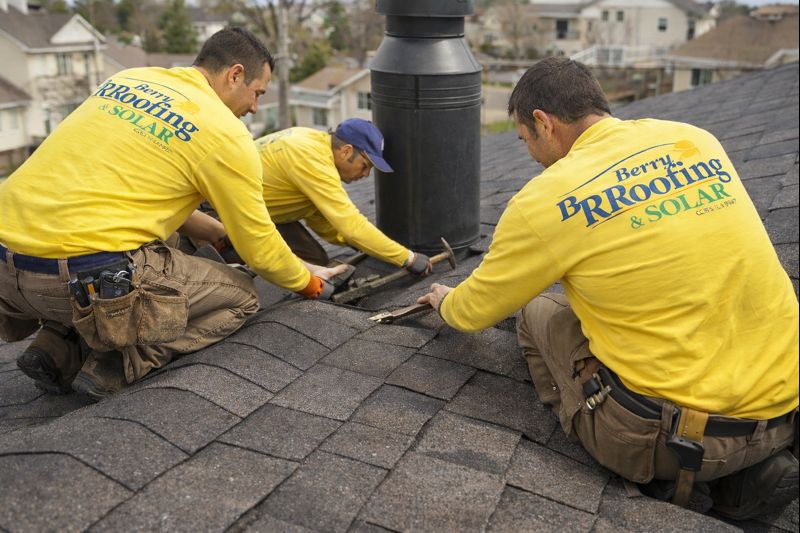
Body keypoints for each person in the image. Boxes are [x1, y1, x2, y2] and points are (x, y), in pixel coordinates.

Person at [419, 57, 798, 519]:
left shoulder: (546, 199)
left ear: (543, 122)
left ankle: (643, 470)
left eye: (525, 141)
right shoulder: (694, 140)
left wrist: (444, 303)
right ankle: (746, 476)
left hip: (678, 440)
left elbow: (475, 311)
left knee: (536, 313)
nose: (532, 157)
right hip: (784, 409)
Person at [0, 28, 341, 402]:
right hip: (80, 279)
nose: (256, 107)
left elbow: (118, 185)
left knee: (165, 240)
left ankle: (54, 349)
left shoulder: (128, 79)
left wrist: (210, 229)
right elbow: (259, 248)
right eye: (257, 93)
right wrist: (308, 282)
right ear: (235, 75)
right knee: (241, 295)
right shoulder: (225, 134)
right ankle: (120, 358)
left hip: (8, 272)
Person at [249, 119, 432, 274]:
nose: (366, 175)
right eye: (365, 165)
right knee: (298, 271)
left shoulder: (315, 143)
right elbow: (352, 226)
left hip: (266, 212)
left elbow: (320, 217)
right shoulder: (312, 159)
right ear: (345, 151)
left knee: (317, 261)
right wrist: (408, 258)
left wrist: (362, 244)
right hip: (229, 212)